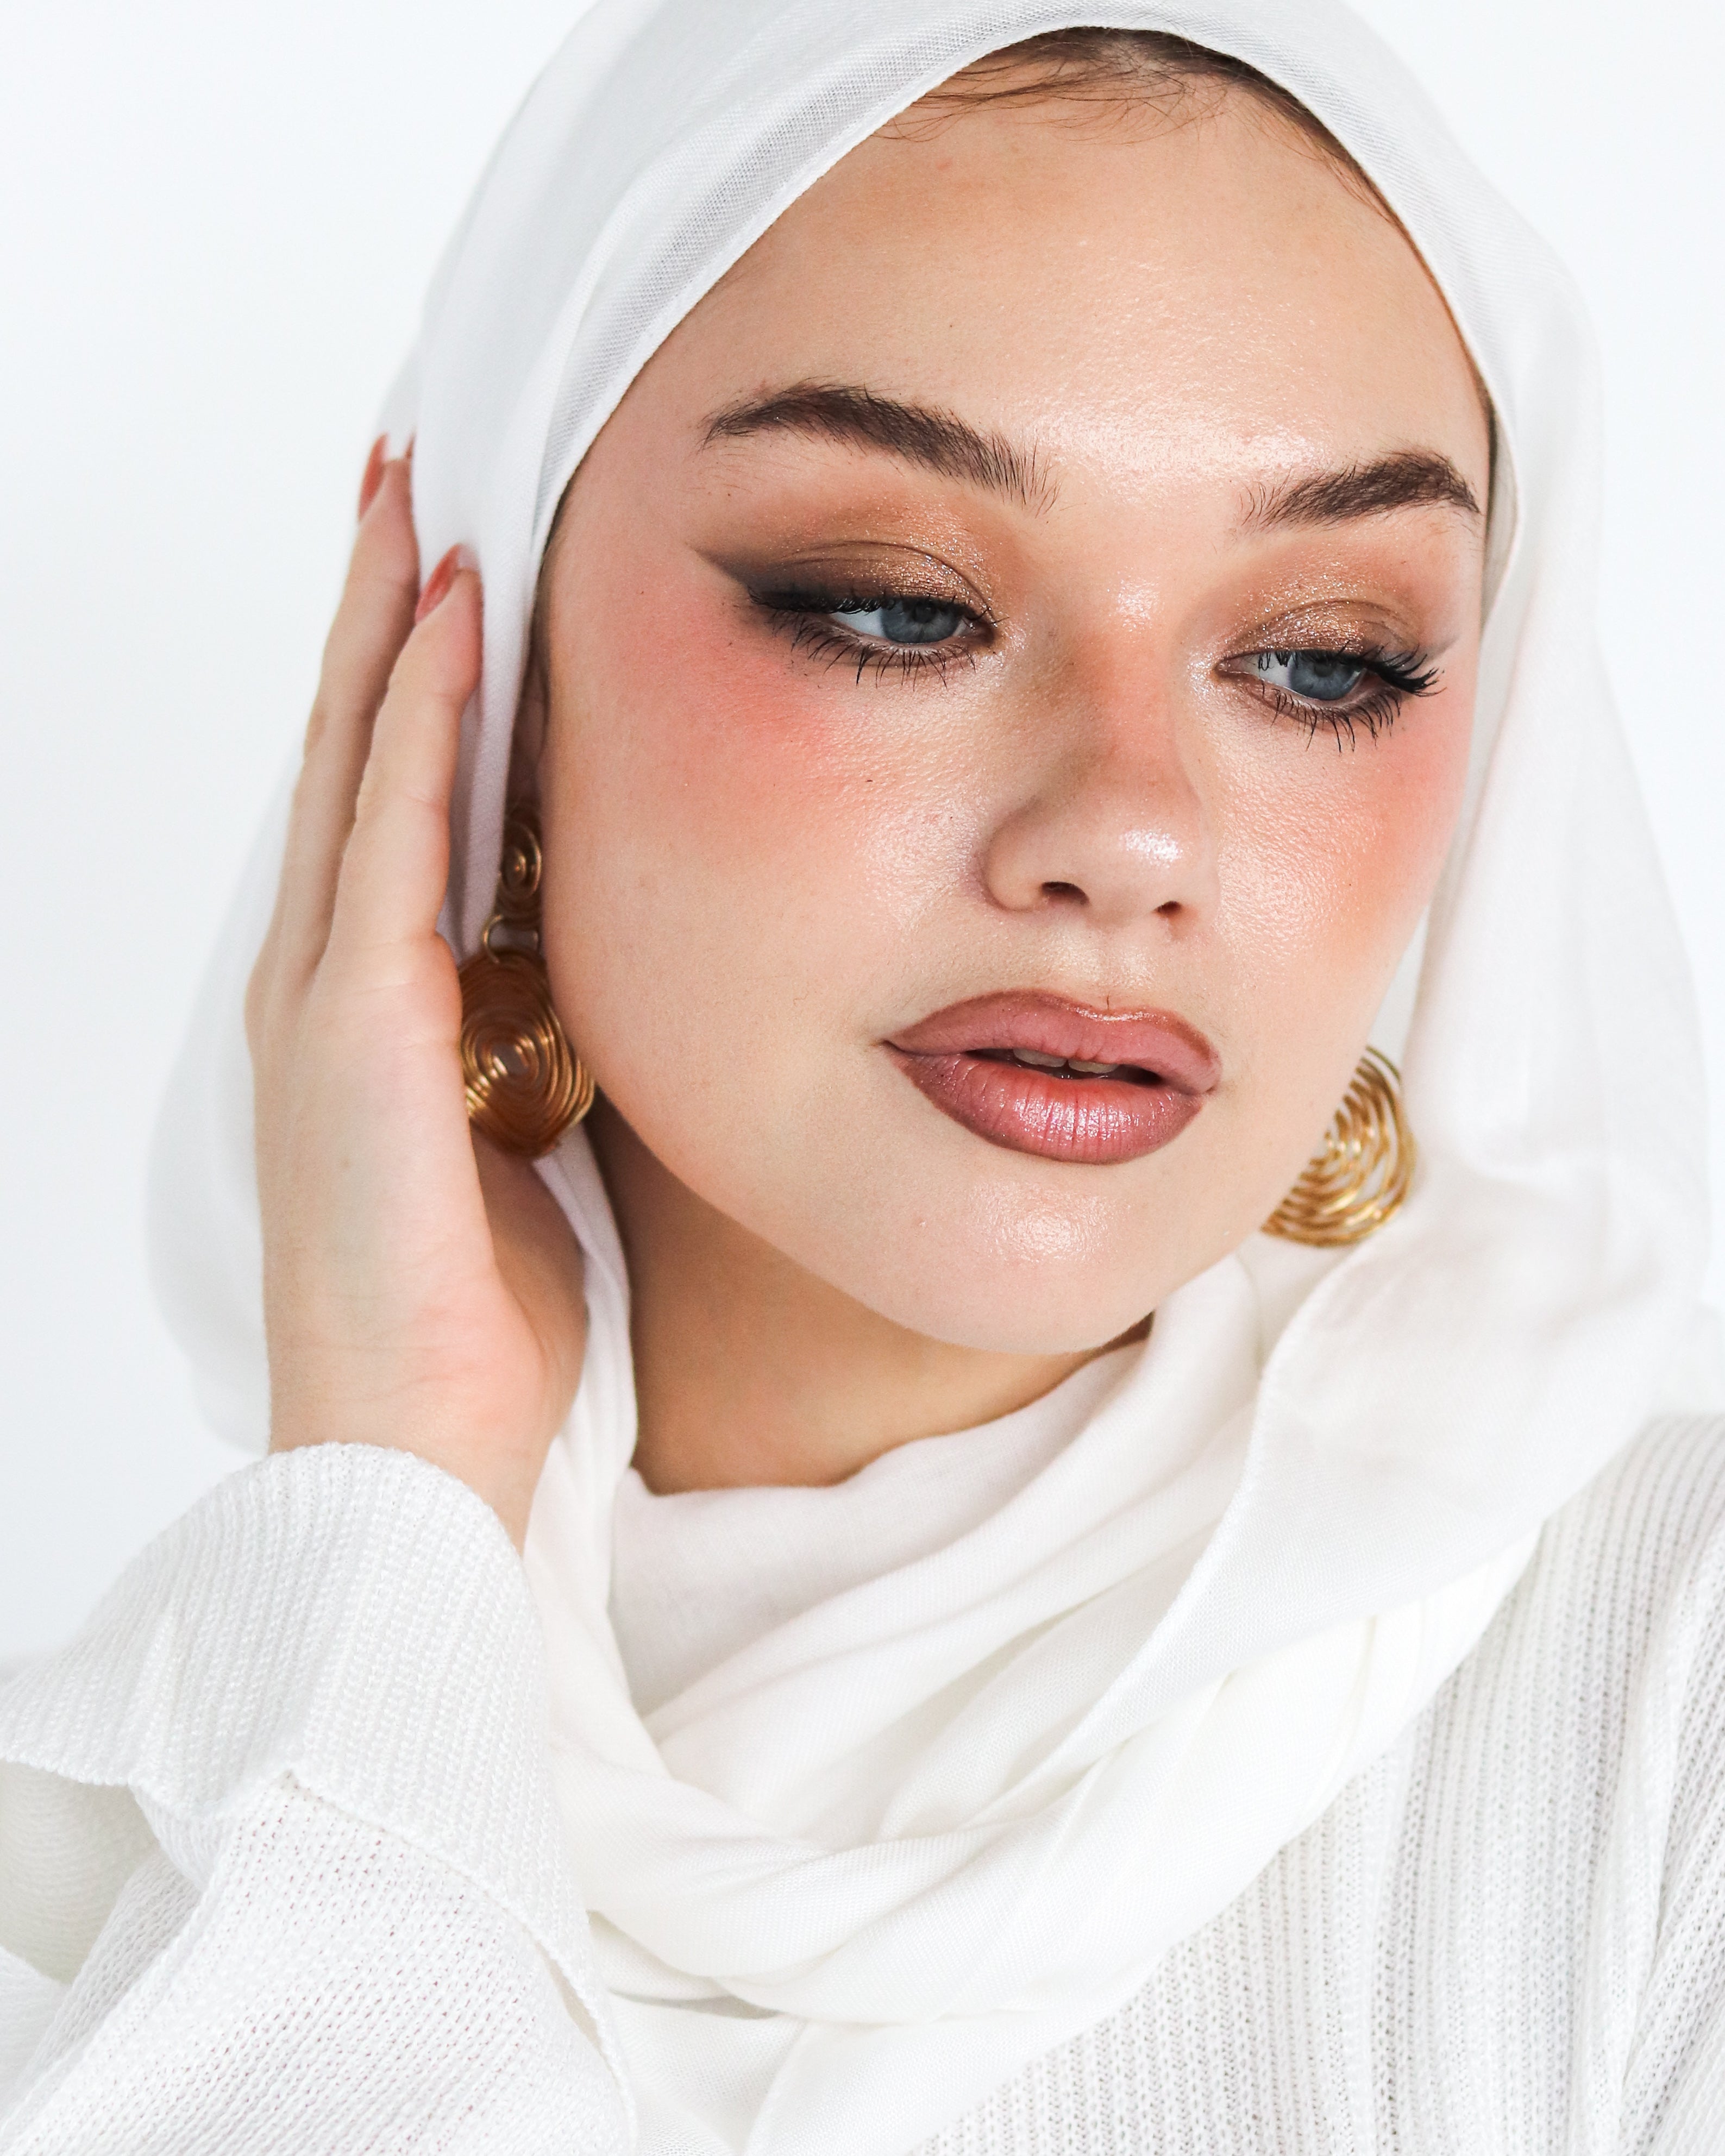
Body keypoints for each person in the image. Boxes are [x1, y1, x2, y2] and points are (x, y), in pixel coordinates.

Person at [2, 3, 1722, 2149]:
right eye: (897, 609)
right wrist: (398, 1490)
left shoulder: (1668, 1716)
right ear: (496, 678)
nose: (1131, 829)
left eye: (1322, 661)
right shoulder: (126, 1863)